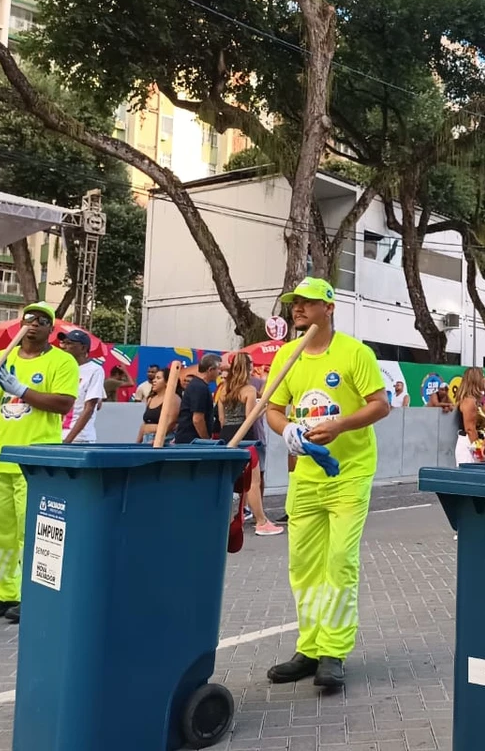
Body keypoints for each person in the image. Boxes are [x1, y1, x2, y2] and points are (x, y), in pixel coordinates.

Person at [264, 278, 390, 689]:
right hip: (305, 477)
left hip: (349, 473)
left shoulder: (355, 353)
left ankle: (333, 653)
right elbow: (274, 410)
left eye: (307, 302)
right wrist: (289, 434)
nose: (297, 308)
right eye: (294, 303)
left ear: (329, 307)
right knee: (304, 565)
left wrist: (339, 426)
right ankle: (309, 648)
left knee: (339, 561)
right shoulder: (288, 354)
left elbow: (379, 405)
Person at [0, 302, 78, 624]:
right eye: (29, 319)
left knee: (33, 533)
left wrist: (21, 389)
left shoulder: (62, 361)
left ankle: (34, 595)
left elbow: (63, 404)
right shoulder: (4, 359)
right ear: (20, 325)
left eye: (42, 321)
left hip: (37, 462)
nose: (34, 324)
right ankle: (3, 594)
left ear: (50, 330)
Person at [216, 352, 282, 536]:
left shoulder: (224, 389)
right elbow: (250, 418)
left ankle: (227, 518)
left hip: (226, 435)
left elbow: (221, 418)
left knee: (229, 480)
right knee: (253, 481)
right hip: (246, 436)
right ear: (247, 368)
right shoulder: (249, 390)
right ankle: (261, 521)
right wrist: (265, 409)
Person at [58, 329, 106, 443]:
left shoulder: (94, 370)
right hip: (56, 435)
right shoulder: (62, 369)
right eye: (63, 343)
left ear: (83, 348)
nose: (64, 346)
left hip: (79, 439)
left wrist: (68, 441)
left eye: (69, 343)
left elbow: (90, 408)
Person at [175, 355, 221, 445]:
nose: (220, 372)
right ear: (210, 370)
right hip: (192, 441)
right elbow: (197, 419)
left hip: (188, 439)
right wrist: (206, 441)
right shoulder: (199, 387)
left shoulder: (197, 385)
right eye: (218, 369)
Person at [454, 368, 485, 464]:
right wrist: (478, 450)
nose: (484, 380)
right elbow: (470, 429)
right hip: (469, 444)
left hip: (475, 442)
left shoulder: (474, 400)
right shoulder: (469, 401)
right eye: (482, 377)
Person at [136, 366, 179, 443]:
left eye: (158, 378)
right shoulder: (150, 399)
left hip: (163, 439)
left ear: (166, 382)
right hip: (147, 438)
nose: (154, 381)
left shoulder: (173, 398)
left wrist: (157, 439)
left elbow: (171, 422)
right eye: (154, 378)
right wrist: (138, 442)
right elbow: (145, 423)